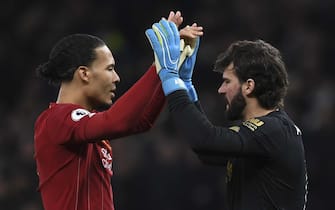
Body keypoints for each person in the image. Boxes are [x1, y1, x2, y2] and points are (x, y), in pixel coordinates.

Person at [34, 11, 203, 210]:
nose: (116, 78)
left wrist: (166, 68)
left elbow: (140, 122)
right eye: (109, 69)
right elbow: (116, 121)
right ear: (84, 74)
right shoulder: (57, 118)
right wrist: (160, 65)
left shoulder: (84, 124)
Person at [145, 20, 308, 209]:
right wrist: (186, 85)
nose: (221, 90)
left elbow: (206, 140)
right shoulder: (265, 135)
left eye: (227, 82)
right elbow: (208, 152)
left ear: (249, 86)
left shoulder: (274, 130)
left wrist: (171, 78)